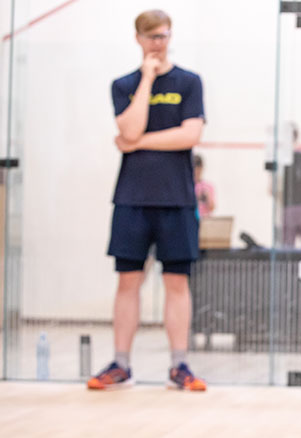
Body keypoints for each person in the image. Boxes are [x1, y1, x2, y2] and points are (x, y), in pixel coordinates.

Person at [88, 9, 207, 391]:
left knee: (177, 282)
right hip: (131, 199)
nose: (159, 43)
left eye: (165, 35)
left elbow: (189, 135)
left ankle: (179, 365)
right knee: (128, 281)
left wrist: (135, 144)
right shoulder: (123, 84)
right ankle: (121, 365)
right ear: (138, 39)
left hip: (176, 199)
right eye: (152, 37)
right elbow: (130, 124)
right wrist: (147, 79)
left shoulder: (189, 82)